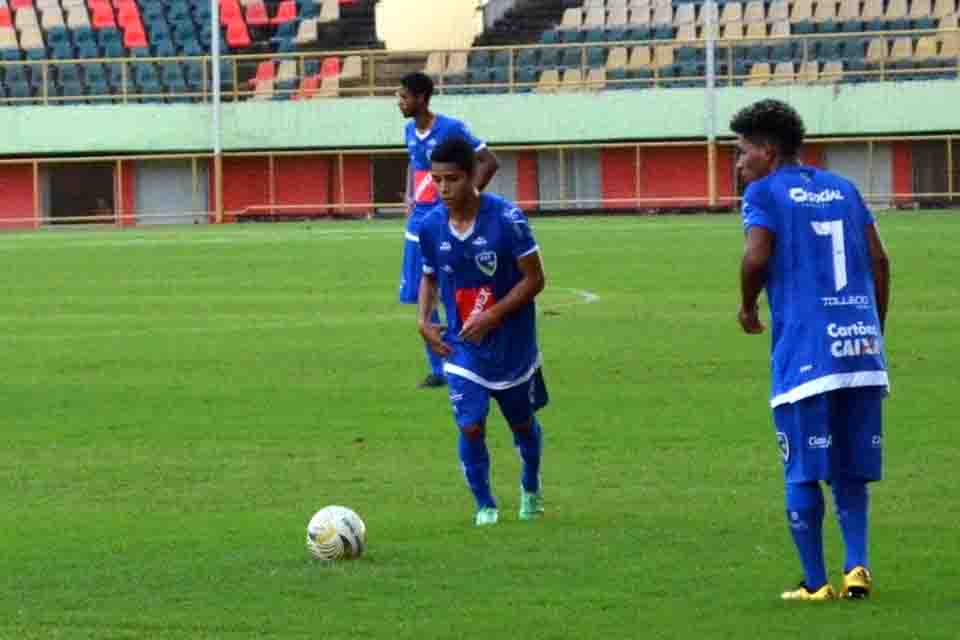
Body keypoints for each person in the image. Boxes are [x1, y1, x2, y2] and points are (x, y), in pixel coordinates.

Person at [733, 99, 891, 601]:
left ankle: (816, 583)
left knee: (802, 468)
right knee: (850, 468)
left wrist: (747, 306)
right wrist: (872, 330)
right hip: (860, 349)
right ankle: (857, 567)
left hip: (806, 353)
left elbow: (756, 257)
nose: (739, 163)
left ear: (768, 151)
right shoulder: (844, 187)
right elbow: (879, 261)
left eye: (743, 152)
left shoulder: (763, 192)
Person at [416, 137, 547, 527]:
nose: (443, 188)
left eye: (452, 179)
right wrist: (423, 320)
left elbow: (535, 279)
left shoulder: (508, 219)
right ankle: (485, 505)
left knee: (522, 424)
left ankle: (530, 485)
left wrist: (493, 316)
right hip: (463, 346)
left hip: (512, 345)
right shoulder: (430, 226)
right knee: (470, 425)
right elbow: (429, 277)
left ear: (473, 175)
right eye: (436, 180)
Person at [397, 72, 499, 389]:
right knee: (422, 295)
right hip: (419, 226)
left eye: (404, 97)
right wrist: (411, 198)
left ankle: (468, 358)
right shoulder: (409, 131)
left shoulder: (451, 128)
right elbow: (416, 165)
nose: (399, 102)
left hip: (447, 224)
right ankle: (439, 368)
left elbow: (489, 161)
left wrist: (470, 197)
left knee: (457, 291)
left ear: (422, 98)